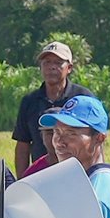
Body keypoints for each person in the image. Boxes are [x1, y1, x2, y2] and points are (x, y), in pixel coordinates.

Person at [13, 41, 93, 176]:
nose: (52, 67)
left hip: (76, 175)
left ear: (69, 67)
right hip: (41, 175)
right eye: (47, 62)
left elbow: (94, 140)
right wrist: (22, 181)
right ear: (40, 67)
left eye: (58, 62)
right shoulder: (30, 101)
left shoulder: (83, 99)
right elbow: (23, 145)